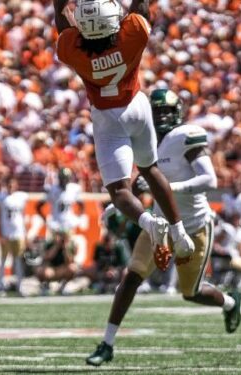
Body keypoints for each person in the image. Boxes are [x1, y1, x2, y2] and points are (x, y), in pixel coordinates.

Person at [86, 89, 241, 366]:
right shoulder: (146, 138)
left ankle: (230, 303)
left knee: (190, 293)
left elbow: (210, 180)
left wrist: (170, 188)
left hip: (194, 226)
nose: (163, 117)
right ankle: (107, 342)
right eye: (158, 112)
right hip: (159, 225)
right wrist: (116, 205)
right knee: (131, 278)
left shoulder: (185, 137)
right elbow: (137, 183)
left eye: (168, 111)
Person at [53, 0, 194, 264]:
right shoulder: (132, 35)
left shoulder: (72, 48)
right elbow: (140, 8)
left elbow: (62, 14)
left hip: (108, 118)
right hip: (137, 106)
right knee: (150, 169)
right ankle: (180, 231)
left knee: (119, 191)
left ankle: (149, 223)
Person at [0, 178, 29, 296]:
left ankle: (20, 286)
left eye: (12, 184)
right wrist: (0, 233)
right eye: (8, 184)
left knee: (18, 260)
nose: (10, 187)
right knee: (3, 260)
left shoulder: (21, 197)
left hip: (18, 232)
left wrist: (25, 232)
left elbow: (23, 215)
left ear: (16, 185)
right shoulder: (1, 198)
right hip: (6, 233)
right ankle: (1, 286)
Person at [37, 168, 84, 235]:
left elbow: (82, 205)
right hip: (55, 224)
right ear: (59, 178)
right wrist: (45, 220)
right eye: (63, 179)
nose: (64, 181)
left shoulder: (73, 189)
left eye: (66, 179)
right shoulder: (52, 189)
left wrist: (78, 218)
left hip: (69, 224)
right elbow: (38, 206)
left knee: (71, 244)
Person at [36, 229, 77, 295]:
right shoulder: (49, 244)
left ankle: (64, 287)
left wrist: (65, 248)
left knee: (72, 268)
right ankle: (46, 286)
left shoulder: (70, 245)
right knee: (40, 271)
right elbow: (48, 257)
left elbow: (70, 261)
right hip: (52, 269)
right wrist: (57, 246)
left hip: (63, 269)